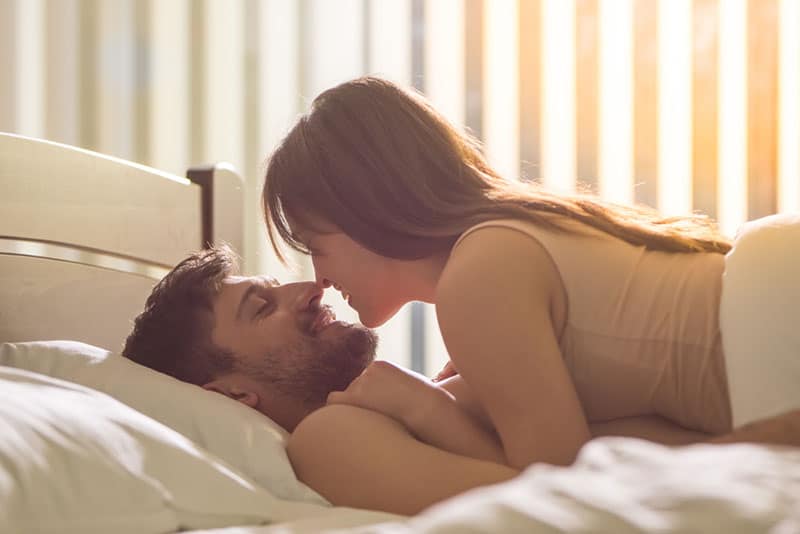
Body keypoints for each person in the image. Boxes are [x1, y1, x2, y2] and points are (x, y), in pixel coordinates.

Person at [260, 75, 789, 470]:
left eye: (315, 246)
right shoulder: (506, 240)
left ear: (364, 209)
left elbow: (556, 485)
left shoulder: (478, 278)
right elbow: (620, 445)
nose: (320, 279)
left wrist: (423, 407)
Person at [123, 245, 800, 516]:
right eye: (261, 307)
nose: (311, 286)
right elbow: (556, 501)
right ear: (233, 394)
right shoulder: (328, 436)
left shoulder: (385, 404)